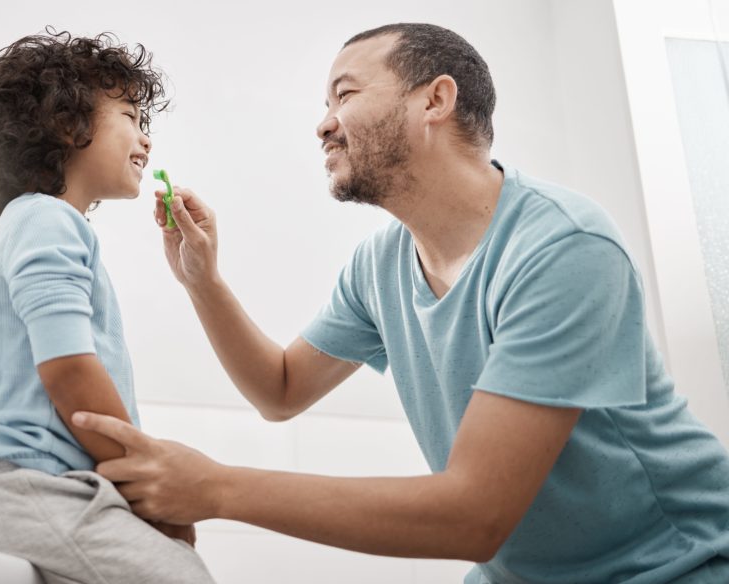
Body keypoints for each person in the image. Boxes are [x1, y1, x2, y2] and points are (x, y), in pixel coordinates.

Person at [72, 23, 729, 582]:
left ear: (435, 100)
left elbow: (473, 515)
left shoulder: (564, 247)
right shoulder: (380, 266)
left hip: (673, 565)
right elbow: (280, 390)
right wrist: (203, 281)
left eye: (344, 94)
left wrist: (215, 488)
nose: (323, 124)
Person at [0, 29, 215, 583]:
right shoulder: (48, 219)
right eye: (131, 117)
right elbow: (70, 370)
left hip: (47, 491)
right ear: (69, 125)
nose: (146, 139)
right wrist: (147, 485)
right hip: (33, 490)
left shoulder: (34, 223)